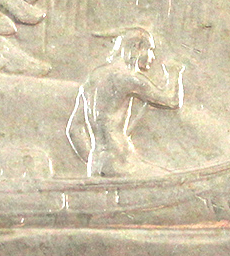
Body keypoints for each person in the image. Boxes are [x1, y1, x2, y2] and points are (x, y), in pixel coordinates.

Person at [66, 26, 184, 179]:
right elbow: (171, 101)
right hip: (122, 161)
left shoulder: (92, 79)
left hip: (96, 163)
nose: (152, 57)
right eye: (150, 50)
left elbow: (74, 129)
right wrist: (174, 73)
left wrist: (97, 163)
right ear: (136, 48)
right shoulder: (128, 78)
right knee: (171, 181)